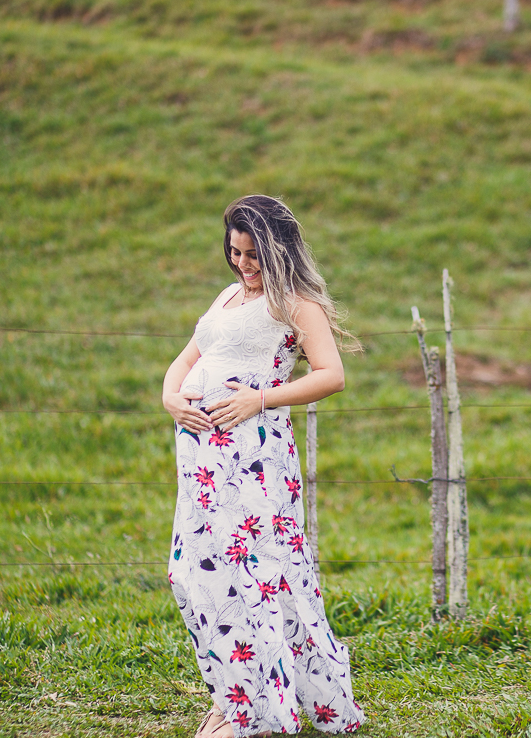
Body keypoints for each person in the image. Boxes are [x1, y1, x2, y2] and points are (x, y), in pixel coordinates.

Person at [161, 195, 366, 738]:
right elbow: (188, 358)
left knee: (251, 574)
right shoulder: (228, 295)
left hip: (252, 456)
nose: (242, 264)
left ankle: (255, 710)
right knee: (194, 573)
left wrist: (260, 398)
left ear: (277, 250)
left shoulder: (296, 303)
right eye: (235, 252)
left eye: (253, 255)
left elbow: (331, 375)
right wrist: (171, 397)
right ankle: (232, 696)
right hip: (202, 458)